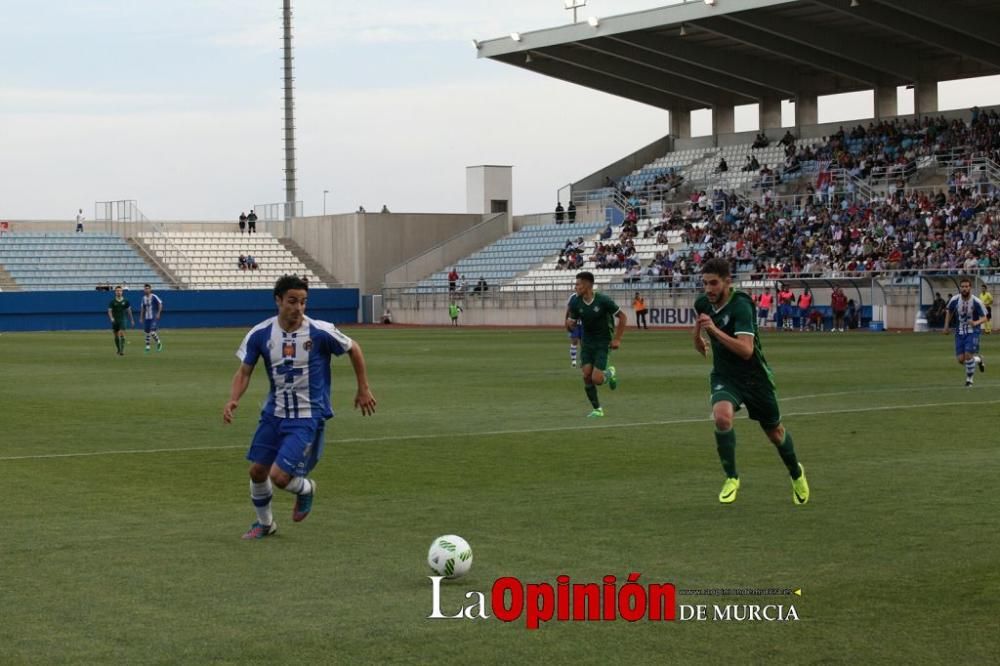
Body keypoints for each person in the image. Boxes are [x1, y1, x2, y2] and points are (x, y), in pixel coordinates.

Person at [223, 275, 376, 540]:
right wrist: (234, 399)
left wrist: (363, 388)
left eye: (303, 302)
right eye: (292, 301)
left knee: (279, 477)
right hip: (273, 414)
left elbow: (354, 348)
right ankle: (265, 524)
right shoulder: (260, 333)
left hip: (307, 417)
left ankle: (306, 489)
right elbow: (244, 372)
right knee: (257, 471)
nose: (299, 307)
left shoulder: (319, 331)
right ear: (278, 300)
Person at [693, 258, 809, 505]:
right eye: (704, 283)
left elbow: (746, 350)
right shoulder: (703, 302)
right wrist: (697, 338)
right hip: (725, 376)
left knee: (775, 434)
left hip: (755, 378)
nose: (708, 289)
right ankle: (732, 477)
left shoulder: (742, 306)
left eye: (713, 283)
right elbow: (702, 318)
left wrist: (713, 332)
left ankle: (796, 473)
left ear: (727, 282)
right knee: (722, 417)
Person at [566, 271, 627, 418]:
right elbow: (572, 323)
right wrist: (570, 324)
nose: (575, 287)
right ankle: (597, 409)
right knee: (586, 375)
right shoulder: (575, 302)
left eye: (578, 284)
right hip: (587, 342)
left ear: (587, 285)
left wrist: (617, 339)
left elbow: (622, 317)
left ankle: (609, 373)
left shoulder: (603, 300)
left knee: (597, 379)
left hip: (602, 342)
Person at [943, 278, 988, 387]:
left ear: (970, 288)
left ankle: (969, 380)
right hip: (959, 332)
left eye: (966, 286)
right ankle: (979, 359)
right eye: (962, 287)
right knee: (961, 359)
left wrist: (975, 322)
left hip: (973, 331)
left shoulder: (976, 301)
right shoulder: (955, 299)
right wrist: (946, 326)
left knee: (968, 356)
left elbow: (985, 318)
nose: (964, 289)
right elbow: (949, 311)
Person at [107, 285, 134, 356]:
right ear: (115, 292)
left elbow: (129, 311)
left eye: (120, 291)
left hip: (122, 319)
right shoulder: (112, 302)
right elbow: (109, 311)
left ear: (122, 292)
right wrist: (111, 318)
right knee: (116, 335)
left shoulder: (126, 301)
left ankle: (122, 350)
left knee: (121, 333)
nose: (119, 292)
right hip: (115, 320)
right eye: (117, 291)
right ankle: (118, 349)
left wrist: (132, 320)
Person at [139, 283, 164, 353]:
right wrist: (141, 317)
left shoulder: (154, 296)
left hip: (153, 317)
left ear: (150, 289)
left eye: (148, 288)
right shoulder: (143, 298)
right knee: (147, 332)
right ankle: (147, 347)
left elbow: (160, 304)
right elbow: (142, 308)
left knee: (152, 331)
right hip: (147, 317)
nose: (146, 290)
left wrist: (159, 313)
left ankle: (159, 342)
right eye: (145, 289)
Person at [564, 292, 583, 368]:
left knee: (583, 343)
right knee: (574, 340)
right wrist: (566, 321)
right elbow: (568, 310)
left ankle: (583, 361)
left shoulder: (587, 296)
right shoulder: (572, 297)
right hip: (574, 322)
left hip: (585, 323)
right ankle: (574, 362)